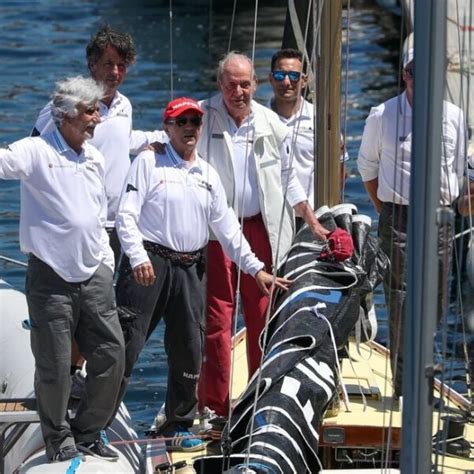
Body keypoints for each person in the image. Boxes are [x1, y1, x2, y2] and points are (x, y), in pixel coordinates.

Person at [114, 97, 291, 451]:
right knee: (127, 342)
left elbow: (227, 229)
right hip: (151, 263)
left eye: (195, 121)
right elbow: (126, 216)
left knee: (189, 347)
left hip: (191, 266)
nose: (190, 128)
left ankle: (180, 421)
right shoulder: (149, 161)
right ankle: (99, 419)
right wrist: (136, 258)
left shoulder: (207, 174)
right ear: (168, 128)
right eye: (182, 122)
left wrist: (257, 270)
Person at [196, 52, 330, 419]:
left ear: (255, 85)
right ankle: (214, 407)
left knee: (263, 316)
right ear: (220, 84)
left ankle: (260, 399)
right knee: (218, 319)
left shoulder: (272, 124)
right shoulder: (202, 115)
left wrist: (313, 222)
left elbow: (290, 182)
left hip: (261, 228)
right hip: (217, 232)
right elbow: (172, 143)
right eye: (230, 84)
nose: (238, 92)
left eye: (244, 84)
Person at [0, 76, 125, 462]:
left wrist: (105, 261)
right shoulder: (35, 150)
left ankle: (88, 432)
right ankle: (59, 439)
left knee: (112, 355)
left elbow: (97, 217)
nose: (97, 119)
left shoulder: (95, 158)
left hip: (95, 274)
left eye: (98, 110)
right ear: (64, 115)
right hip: (50, 278)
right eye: (90, 111)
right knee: (53, 367)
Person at [357, 48, 465, 398]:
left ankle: (422, 377)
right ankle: (409, 390)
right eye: (415, 71)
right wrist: (386, 210)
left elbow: (458, 170)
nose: (422, 78)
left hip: (439, 220)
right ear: (405, 74)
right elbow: (367, 168)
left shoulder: (454, 117)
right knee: (402, 304)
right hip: (399, 216)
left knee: (434, 304)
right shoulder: (383, 114)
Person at [32, 25, 165, 267]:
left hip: (118, 222)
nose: (115, 72)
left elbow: (122, 140)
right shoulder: (67, 105)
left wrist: (164, 140)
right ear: (92, 64)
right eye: (108, 64)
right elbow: (35, 150)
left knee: (106, 298)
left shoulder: (125, 105)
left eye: (122, 65)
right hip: (78, 222)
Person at [268, 48, 349, 219]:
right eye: (280, 75)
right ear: (271, 78)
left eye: (294, 76)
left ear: (304, 81)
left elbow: (340, 171)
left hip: (314, 215)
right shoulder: (259, 119)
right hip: (271, 217)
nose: (287, 82)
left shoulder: (321, 120)